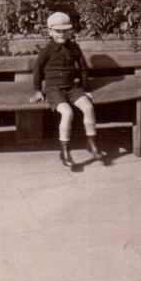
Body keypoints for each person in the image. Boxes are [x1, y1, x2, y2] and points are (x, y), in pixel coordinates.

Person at [29, 11, 105, 170]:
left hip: (72, 87)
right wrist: (38, 91)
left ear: (70, 31)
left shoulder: (74, 48)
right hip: (54, 89)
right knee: (67, 112)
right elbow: (37, 70)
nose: (62, 34)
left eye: (65, 31)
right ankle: (65, 152)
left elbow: (83, 68)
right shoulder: (47, 50)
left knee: (89, 107)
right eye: (58, 31)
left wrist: (85, 89)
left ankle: (91, 144)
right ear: (50, 31)